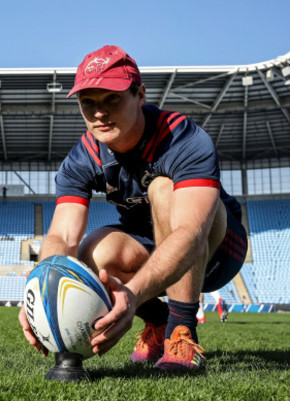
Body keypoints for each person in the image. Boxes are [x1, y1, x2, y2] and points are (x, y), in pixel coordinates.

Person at [18, 45, 247, 371]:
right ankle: (157, 322)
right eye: (88, 102)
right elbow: (61, 236)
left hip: (217, 250)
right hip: (151, 245)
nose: (99, 112)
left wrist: (131, 296)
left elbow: (191, 232)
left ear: (140, 94)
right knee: (89, 253)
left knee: (162, 187)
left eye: (112, 98)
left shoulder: (181, 137)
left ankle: (181, 330)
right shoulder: (82, 158)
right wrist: (39, 290)